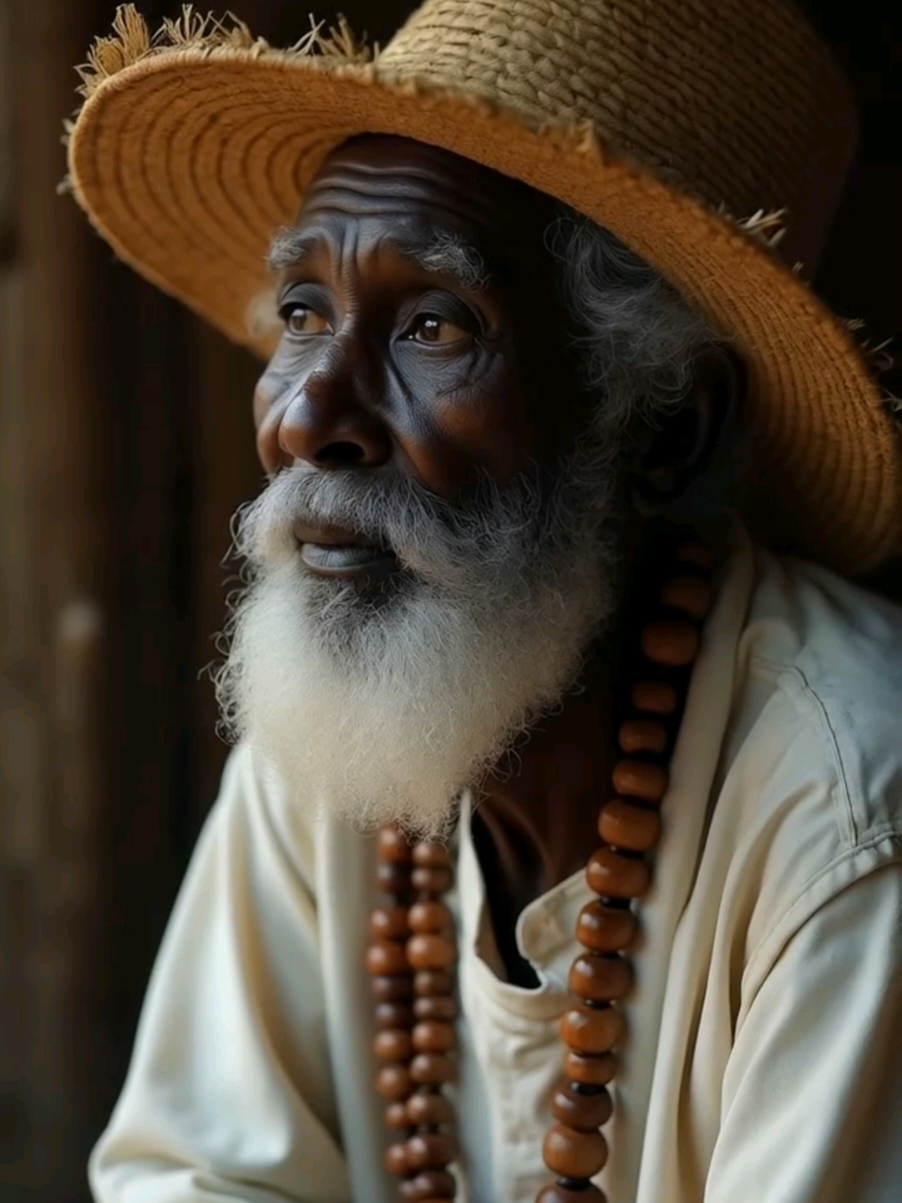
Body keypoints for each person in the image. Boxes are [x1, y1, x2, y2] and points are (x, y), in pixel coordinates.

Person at [66, 2, 901, 1201]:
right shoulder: (340, 734)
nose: (307, 418)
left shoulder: (842, 816)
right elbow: (190, 1175)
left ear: (663, 426)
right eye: (303, 314)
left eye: (431, 325)